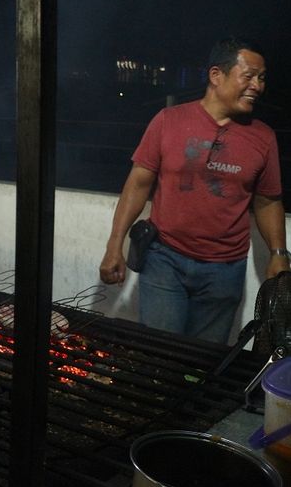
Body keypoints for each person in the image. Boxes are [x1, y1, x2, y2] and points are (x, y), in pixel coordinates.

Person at [99, 37, 288, 344]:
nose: (258, 85)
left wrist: (279, 254)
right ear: (217, 75)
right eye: (249, 76)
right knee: (159, 352)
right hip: (164, 260)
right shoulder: (168, 120)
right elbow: (138, 183)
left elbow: (268, 200)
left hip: (225, 270)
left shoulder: (263, 138)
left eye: (262, 78)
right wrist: (114, 245)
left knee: (200, 362)